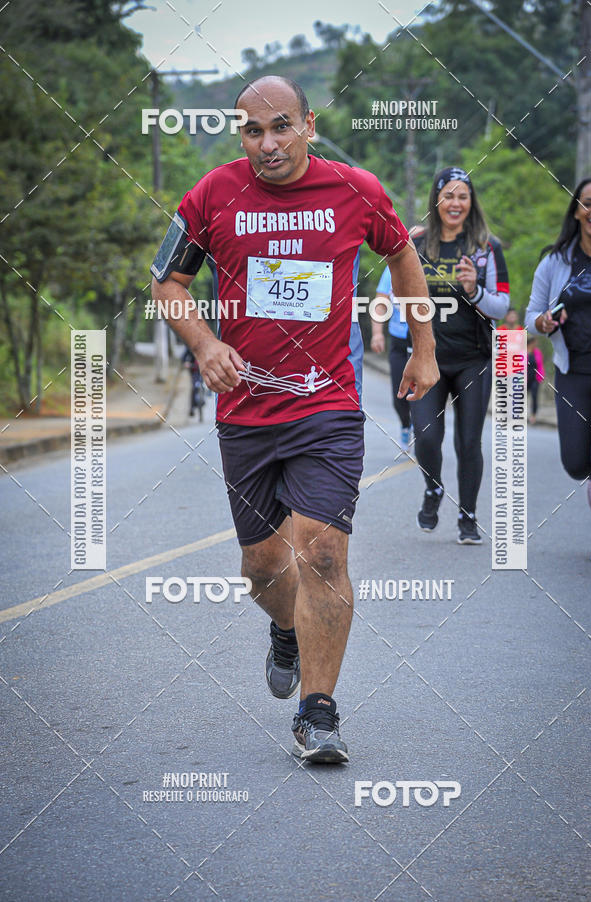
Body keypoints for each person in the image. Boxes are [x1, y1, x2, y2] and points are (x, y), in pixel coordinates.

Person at [150, 75, 439, 762]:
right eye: (253, 130)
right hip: (246, 411)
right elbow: (167, 281)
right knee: (262, 567)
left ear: (308, 123)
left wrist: (423, 348)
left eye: (281, 126)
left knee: (322, 549)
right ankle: (287, 629)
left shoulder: (356, 191)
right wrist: (204, 341)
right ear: (240, 135)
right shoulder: (212, 195)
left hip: (327, 404)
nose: (268, 143)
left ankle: (319, 713)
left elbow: (401, 253)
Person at [410, 167, 510, 543]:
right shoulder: (416, 244)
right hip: (426, 358)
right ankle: (433, 488)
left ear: (471, 202)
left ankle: (468, 514)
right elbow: (401, 292)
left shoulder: (487, 246)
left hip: (474, 358)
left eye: (462, 196)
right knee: (426, 435)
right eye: (448, 195)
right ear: (437, 200)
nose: (455, 203)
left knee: (468, 442)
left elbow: (501, 306)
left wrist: (473, 290)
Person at [525, 176, 591, 562]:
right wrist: (542, 324)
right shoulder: (556, 261)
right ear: (576, 210)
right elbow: (530, 315)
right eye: (588, 202)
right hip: (573, 370)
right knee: (576, 461)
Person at [370, 265, 413, 450]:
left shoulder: (433, 265)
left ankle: (424, 432)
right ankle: (406, 424)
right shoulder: (392, 267)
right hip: (399, 339)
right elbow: (380, 302)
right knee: (399, 396)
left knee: (423, 393)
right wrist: (377, 333)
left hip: (424, 342)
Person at [182, 345, 206, 420]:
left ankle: (204, 398)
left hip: (204, 368)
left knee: (207, 384)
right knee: (194, 387)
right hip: (194, 369)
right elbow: (183, 358)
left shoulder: (207, 344)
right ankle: (192, 408)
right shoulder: (190, 345)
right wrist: (186, 363)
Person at [526, 336, 544, 425]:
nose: (535, 344)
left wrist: (541, 376)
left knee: (534, 396)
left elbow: (540, 365)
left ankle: (533, 415)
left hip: (535, 378)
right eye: (534, 343)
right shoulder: (523, 352)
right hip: (525, 379)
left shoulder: (537, 352)